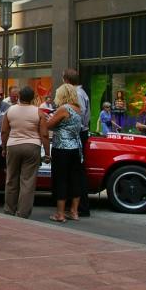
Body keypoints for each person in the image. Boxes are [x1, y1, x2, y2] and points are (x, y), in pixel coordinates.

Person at [0, 86, 49, 219]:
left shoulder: (10, 110)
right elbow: (44, 134)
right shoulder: (38, 112)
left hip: (13, 146)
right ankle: (23, 213)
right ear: (33, 98)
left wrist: (4, 148)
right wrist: (48, 153)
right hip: (32, 147)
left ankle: (9, 209)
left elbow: (4, 131)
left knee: (11, 179)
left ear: (19, 96)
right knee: (28, 182)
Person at [45, 83, 83, 222]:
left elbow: (49, 125)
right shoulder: (78, 109)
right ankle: (74, 212)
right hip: (75, 147)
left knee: (61, 180)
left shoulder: (63, 109)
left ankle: (60, 214)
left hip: (61, 148)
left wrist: (47, 119)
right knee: (75, 179)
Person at [62, 69, 90, 216]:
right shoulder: (81, 92)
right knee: (76, 170)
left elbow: (79, 114)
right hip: (79, 132)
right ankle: (75, 206)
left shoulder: (77, 94)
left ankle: (80, 207)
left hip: (77, 133)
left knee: (76, 171)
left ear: (66, 80)